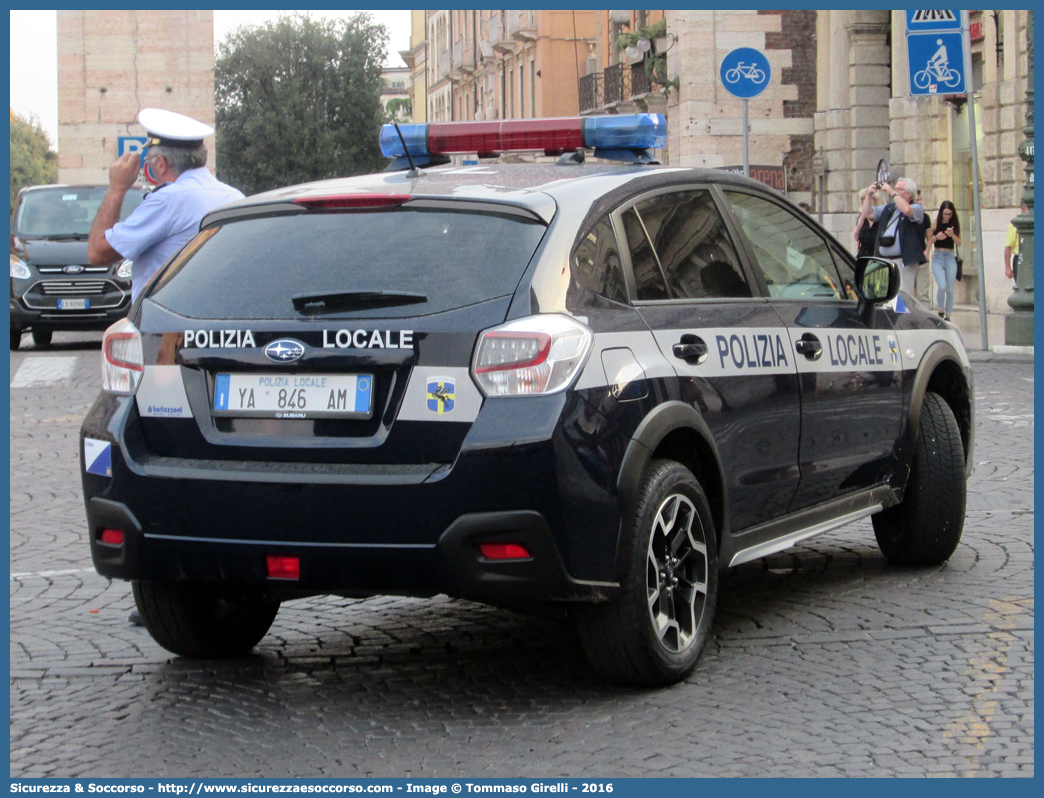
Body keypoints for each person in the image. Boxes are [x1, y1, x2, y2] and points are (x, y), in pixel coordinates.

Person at [88, 108, 244, 301]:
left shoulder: (168, 200)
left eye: (149, 161)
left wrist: (116, 189)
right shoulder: (234, 196)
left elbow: (98, 254)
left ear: (160, 163)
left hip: (166, 322)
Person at [860, 177, 927, 298]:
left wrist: (891, 192)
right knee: (886, 295)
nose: (896, 191)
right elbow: (868, 213)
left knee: (902, 295)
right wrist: (869, 195)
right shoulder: (890, 208)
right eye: (895, 188)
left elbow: (907, 210)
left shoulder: (917, 208)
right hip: (885, 260)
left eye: (900, 189)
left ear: (909, 194)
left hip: (903, 261)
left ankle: (903, 316)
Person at [924, 201, 962, 321]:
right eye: (945, 214)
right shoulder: (935, 223)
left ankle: (948, 315)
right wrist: (936, 238)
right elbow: (929, 240)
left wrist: (952, 235)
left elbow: (959, 243)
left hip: (950, 257)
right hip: (938, 257)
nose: (947, 217)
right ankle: (940, 309)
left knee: (950, 288)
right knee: (942, 285)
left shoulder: (955, 224)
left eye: (950, 214)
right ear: (941, 213)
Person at [853, 185, 884, 258]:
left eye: (868, 198)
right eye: (862, 198)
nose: (863, 201)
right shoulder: (862, 219)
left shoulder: (883, 218)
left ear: (876, 200)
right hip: (863, 258)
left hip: (878, 259)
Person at [1004, 203, 1028, 285]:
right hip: (1021, 260)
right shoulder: (1015, 224)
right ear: (1023, 208)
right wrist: (1008, 267)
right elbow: (1008, 247)